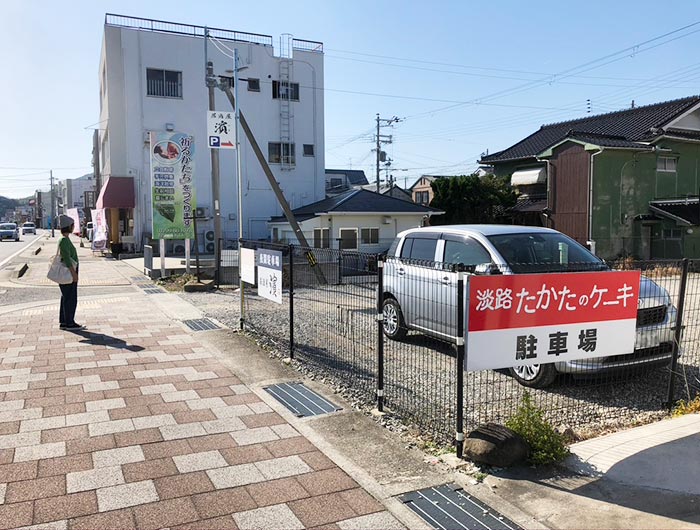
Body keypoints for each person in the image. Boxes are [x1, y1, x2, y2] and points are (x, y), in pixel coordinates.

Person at [56, 215, 84, 330]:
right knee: (70, 297)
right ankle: (69, 322)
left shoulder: (64, 239)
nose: (74, 227)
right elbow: (67, 258)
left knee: (66, 296)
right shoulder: (64, 240)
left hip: (68, 270)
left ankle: (64, 321)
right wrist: (74, 274)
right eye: (73, 225)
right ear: (69, 227)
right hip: (69, 270)